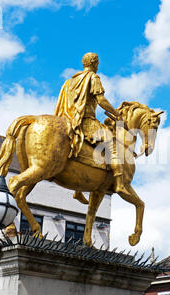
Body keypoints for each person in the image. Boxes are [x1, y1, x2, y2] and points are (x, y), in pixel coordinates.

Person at [54, 52, 130, 196]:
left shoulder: (69, 81)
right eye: (97, 62)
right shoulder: (93, 77)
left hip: (68, 119)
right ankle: (119, 184)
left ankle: (79, 187)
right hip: (86, 121)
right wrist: (117, 114)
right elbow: (101, 100)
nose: (98, 65)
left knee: (87, 149)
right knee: (113, 145)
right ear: (94, 63)